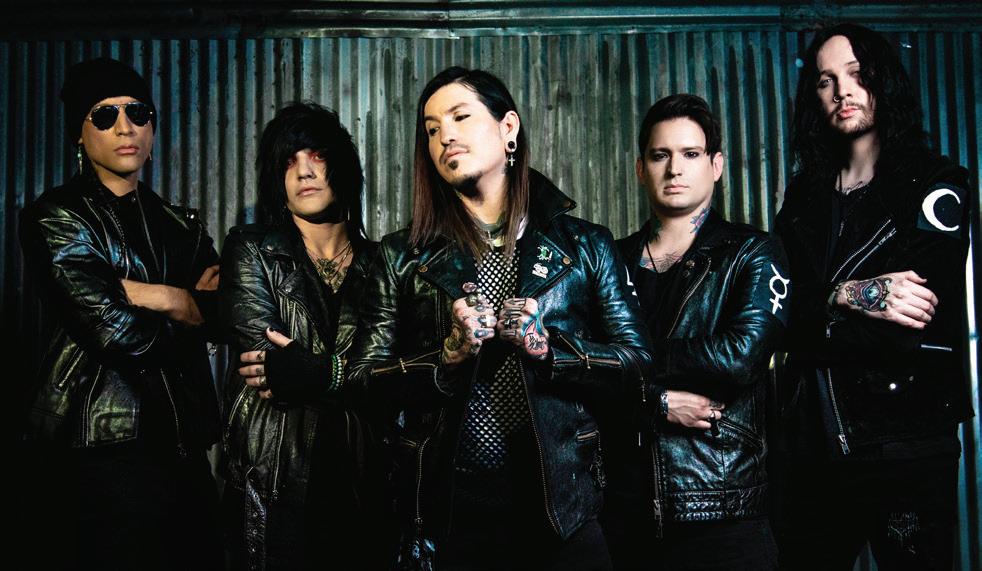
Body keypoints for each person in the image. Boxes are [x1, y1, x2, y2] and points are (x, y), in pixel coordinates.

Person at [344, 66, 649, 570]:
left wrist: (549, 350)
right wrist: (446, 358)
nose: (445, 136)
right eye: (432, 129)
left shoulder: (585, 245)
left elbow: (637, 366)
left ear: (509, 128)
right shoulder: (402, 257)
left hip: (564, 515)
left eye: (460, 117)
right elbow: (360, 381)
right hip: (449, 519)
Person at [774, 23, 974, 570]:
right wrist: (850, 294)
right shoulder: (804, 197)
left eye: (857, 74)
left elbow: (912, 321)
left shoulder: (937, 184)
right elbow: (775, 315)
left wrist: (815, 312)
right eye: (825, 81)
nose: (842, 91)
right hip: (813, 443)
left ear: (882, 80)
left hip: (905, 441)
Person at [19, 57, 223, 569]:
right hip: (101, 447)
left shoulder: (181, 226)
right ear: (78, 133)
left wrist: (164, 297)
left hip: (184, 444)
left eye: (138, 111)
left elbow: (226, 315)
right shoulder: (57, 217)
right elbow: (117, 334)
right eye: (105, 115)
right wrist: (189, 310)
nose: (125, 127)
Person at [602, 94, 788, 571]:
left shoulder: (752, 253)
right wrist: (658, 400)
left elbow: (740, 356)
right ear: (640, 168)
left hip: (720, 506)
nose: (674, 169)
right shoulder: (609, 260)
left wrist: (627, 361)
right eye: (659, 155)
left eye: (690, 154)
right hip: (622, 509)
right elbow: (584, 376)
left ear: (716, 165)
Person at [221, 102, 391, 570]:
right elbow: (270, 362)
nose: (303, 172)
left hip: (367, 478)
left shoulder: (385, 263)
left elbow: (393, 372)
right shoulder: (252, 250)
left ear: (343, 166)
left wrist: (317, 371)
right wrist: (354, 374)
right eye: (288, 162)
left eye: (316, 155)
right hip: (277, 475)